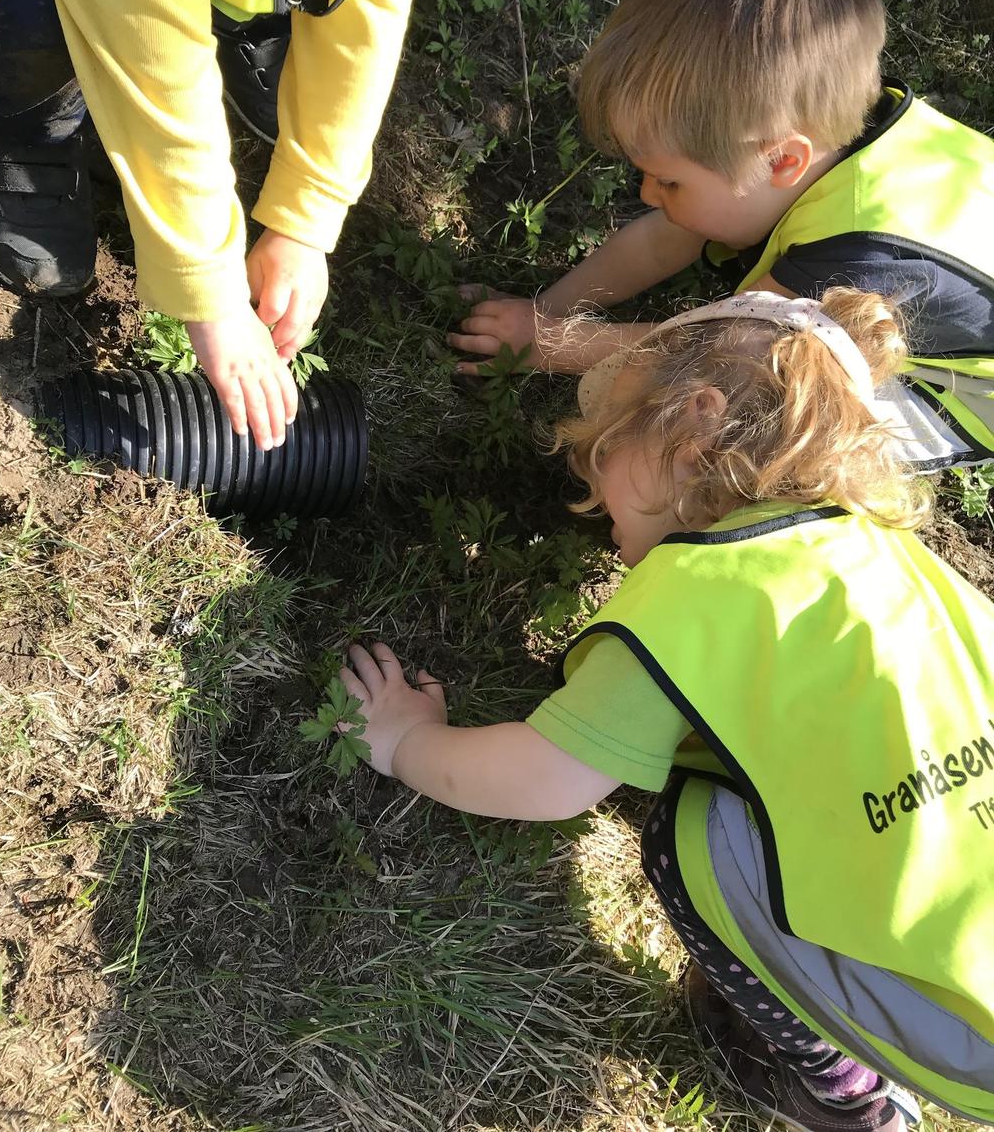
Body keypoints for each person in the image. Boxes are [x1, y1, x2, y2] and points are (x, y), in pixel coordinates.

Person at [341, 287, 994, 1131]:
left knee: (696, 842)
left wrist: (404, 737)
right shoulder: (904, 568)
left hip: (956, 1011)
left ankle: (848, 1094)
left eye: (605, 449)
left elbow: (544, 782)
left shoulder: (703, 586)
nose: (586, 479)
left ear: (695, 427)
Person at [0, 0, 664, 451]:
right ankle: (22, 133)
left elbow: (371, 0)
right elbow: (149, 56)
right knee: (32, 10)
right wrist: (208, 292)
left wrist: (306, 215)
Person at [450, 0, 994, 470]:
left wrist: (545, 345)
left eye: (669, 181)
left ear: (782, 160)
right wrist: (545, 311)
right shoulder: (816, 132)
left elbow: (709, 349)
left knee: (761, 419)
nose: (648, 193)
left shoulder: (856, 260)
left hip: (963, 394)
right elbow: (662, 242)